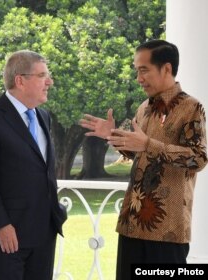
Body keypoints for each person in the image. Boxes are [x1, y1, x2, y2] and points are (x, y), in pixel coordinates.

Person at [80, 39, 207, 279]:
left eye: (144, 70)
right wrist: (113, 136)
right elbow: (137, 153)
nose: (139, 78)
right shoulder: (144, 108)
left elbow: (198, 159)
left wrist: (149, 144)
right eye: (137, 71)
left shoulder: (192, 108)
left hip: (167, 231)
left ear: (166, 68)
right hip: (131, 224)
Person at [0, 50, 67, 280]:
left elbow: (42, 170)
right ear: (20, 80)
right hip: (7, 235)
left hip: (43, 231)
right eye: (42, 75)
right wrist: (1, 225)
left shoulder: (43, 117)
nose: (49, 81)